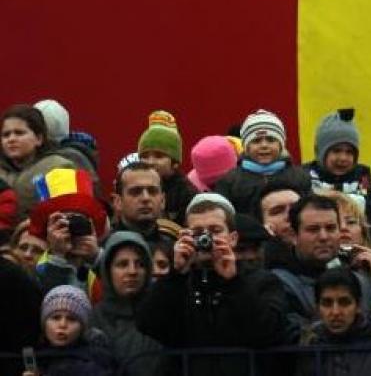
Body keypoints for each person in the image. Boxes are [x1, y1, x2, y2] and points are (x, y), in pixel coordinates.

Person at [136, 193, 291, 376]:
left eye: (215, 231)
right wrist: (176, 274)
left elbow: (269, 331)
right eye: (198, 232)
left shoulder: (262, 281)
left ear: (233, 238)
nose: (205, 239)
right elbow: (148, 324)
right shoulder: (177, 282)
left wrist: (233, 282)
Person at [270, 193, 371, 342]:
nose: (323, 236)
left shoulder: (360, 280)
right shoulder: (278, 283)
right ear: (294, 235)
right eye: (313, 229)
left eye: (331, 228)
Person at [299, 268, 371, 376]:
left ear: (358, 305)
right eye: (327, 303)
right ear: (317, 308)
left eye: (344, 302)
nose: (335, 312)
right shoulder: (311, 346)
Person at [90, 231, 163, 376]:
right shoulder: (93, 319)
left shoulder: (161, 315)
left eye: (140, 264)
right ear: (107, 270)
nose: (132, 271)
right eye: (122, 264)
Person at [214, 109, 311, 217]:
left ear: (281, 145)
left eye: (270, 140)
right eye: (256, 141)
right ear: (246, 147)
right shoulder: (230, 181)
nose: (264, 145)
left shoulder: (299, 177)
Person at [28, 168, 108, 295]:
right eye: (63, 221)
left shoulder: (103, 259)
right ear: (48, 230)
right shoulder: (33, 265)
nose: (71, 227)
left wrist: (97, 259)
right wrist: (57, 257)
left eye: (77, 219)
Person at [0, 104, 76, 219]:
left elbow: (68, 214)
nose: (11, 139)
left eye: (19, 133)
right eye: (6, 135)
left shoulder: (60, 167)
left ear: (39, 139)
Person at [306, 108, 371, 216]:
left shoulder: (362, 175)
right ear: (321, 152)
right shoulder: (306, 175)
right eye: (336, 151)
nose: (343, 158)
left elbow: (370, 205)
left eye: (349, 152)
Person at [31, 285, 117, 376]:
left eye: (71, 319)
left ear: (82, 327)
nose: (62, 324)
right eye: (56, 318)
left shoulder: (95, 365)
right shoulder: (36, 359)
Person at [135, 110, 197, 223]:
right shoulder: (132, 186)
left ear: (175, 162)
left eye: (159, 156)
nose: (150, 162)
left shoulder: (187, 193)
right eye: (144, 156)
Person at [108, 161, 173, 248]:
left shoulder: (173, 250)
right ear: (118, 202)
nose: (146, 198)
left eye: (152, 191)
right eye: (135, 192)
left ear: (162, 200)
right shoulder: (104, 251)